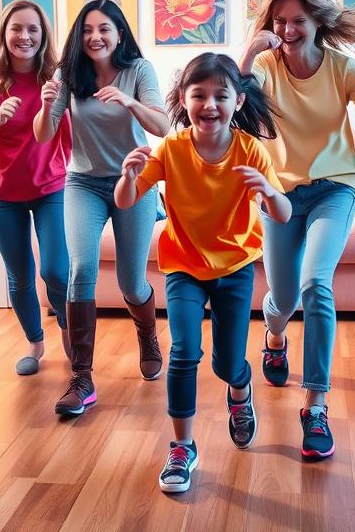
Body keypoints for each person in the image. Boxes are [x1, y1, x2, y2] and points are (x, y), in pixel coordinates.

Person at [238, 0, 355, 460]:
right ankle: (275, 336)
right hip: (279, 193)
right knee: (282, 298)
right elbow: (237, 107)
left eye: (298, 20)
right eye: (280, 21)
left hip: (334, 188)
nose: (287, 30)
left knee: (316, 283)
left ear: (318, 22)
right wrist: (251, 51)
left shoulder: (343, 68)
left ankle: (315, 405)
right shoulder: (266, 67)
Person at [114, 52, 291, 493]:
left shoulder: (250, 150)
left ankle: (240, 391)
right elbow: (125, 200)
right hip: (183, 267)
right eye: (199, 95)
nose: (209, 104)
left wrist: (269, 192)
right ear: (183, 99)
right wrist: (128, 176)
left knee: (228, 363)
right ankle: (182, 447)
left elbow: (283, 214)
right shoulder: (171, 149)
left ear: (238, 101)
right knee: (183, 352)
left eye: (220, 95)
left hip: (234, 267)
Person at [34, 0, 171, 417]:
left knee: (132, 283)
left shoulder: (139, 70)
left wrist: (130, 102)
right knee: (80, 270)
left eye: (104, 29)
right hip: (83, 183)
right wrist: (46, 103)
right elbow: (43, 135)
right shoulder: (68, 73)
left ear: (119, 34)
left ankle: (147, 334)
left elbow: (162, 126)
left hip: (134, 179)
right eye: (88, 29)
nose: (95, 37)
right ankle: (82, 377)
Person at [0, 0, 73, 375]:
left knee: (56, 271)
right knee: (20, 275)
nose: (24, 36)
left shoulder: (56, 78)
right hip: (2, 194)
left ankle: (68, 329)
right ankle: (34, 342)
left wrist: (65, 167)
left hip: (50, 188)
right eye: (16, 28)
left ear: (43, 35)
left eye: (32, 29)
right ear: (4, 33)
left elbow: (70, 132)